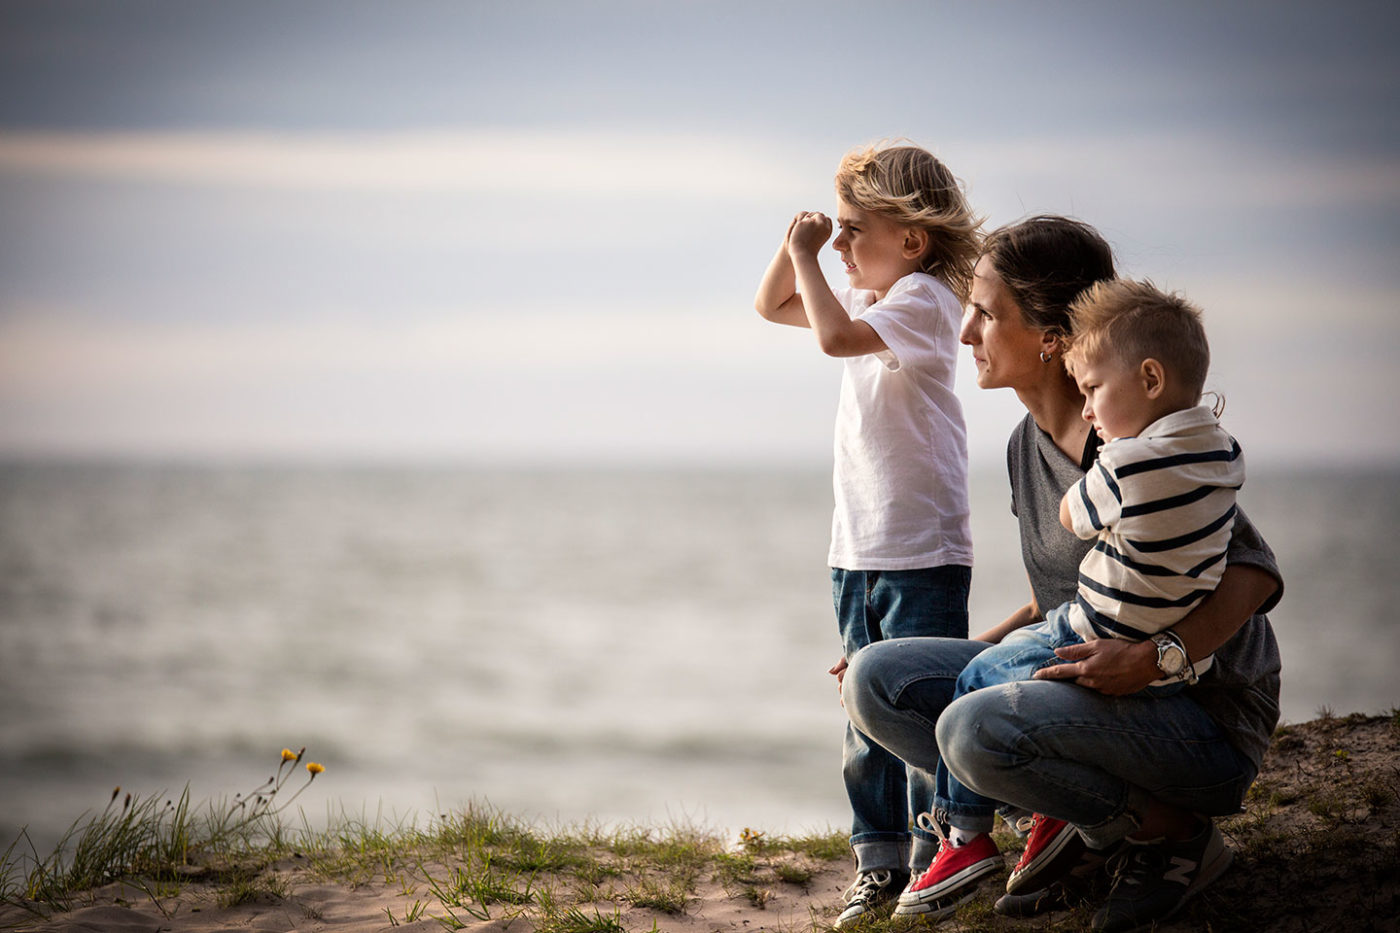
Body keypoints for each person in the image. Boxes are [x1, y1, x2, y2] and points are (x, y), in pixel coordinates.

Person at [841, 216, 1283, 933]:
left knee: (974, 725)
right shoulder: (1027, 443)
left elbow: (1254, 574)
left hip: (1202, 711)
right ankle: (1071, 819)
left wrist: (1155, 657)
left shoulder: (1134, 438)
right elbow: (1056, 599)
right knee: (878, 679)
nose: (965, 332)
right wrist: (970, 657)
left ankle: (1169, 835)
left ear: (1050, 337)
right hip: (1088, 675)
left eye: (986, 313)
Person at [908, 276, 1249, 911]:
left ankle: (968, 836)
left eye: (1094, 389)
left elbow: (1074, 516)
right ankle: (1055, 815)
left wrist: (1108, 463)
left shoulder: (1127, 461)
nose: (1090, 409)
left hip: (1111, 645)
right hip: (1160, 662)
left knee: (974, 692)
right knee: (888, 678)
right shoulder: (1221, 452)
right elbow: (1045, 595)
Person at [753, 144, 981, 925]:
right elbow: (772, 306)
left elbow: (832, 338)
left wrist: (810, 256)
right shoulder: (874, 299)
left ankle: (934, 852)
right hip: (858, 547)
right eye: (838, 229)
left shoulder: (924, 298)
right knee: (862, 710)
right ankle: (876, 858)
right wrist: (796, 246)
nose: (840, 244)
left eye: (854, 229)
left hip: (921, 548)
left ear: (911, 240)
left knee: (917, 707)